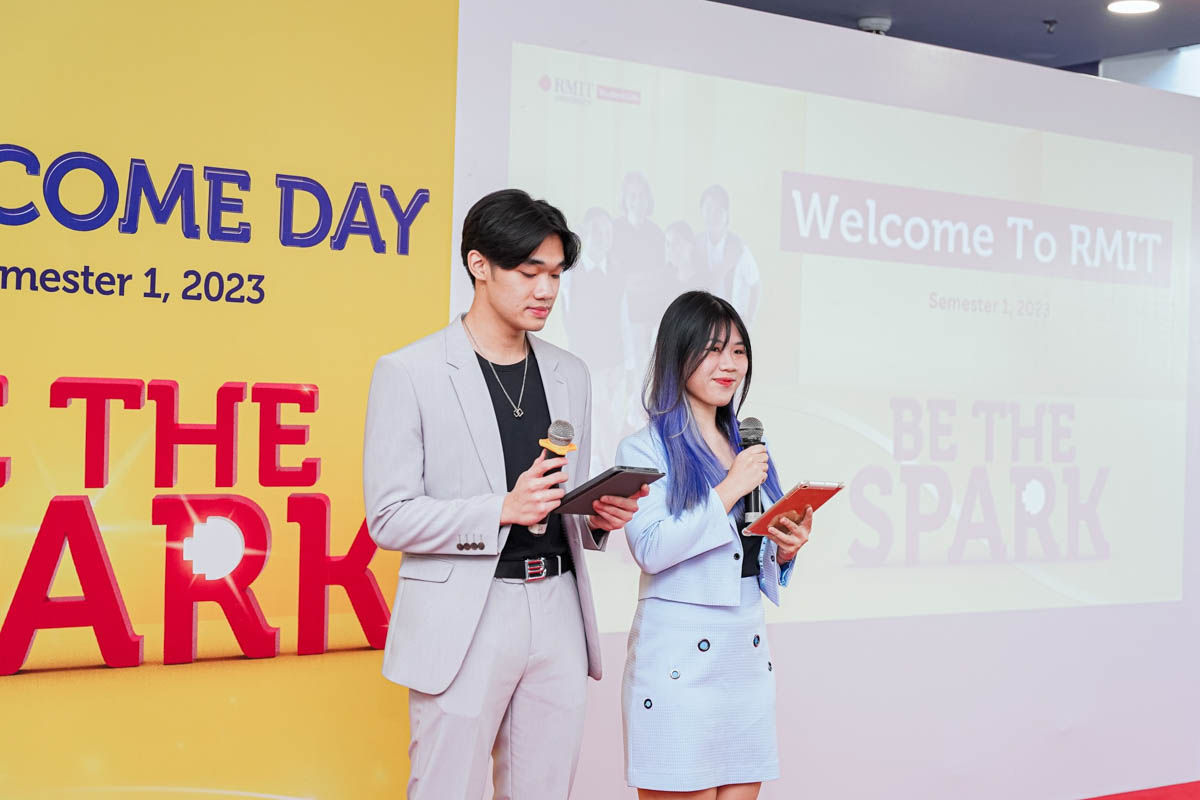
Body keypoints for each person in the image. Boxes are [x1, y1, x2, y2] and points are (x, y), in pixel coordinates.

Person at [363, 189, 647, 800]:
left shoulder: (571, 373)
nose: (545, 290)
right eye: (528, 272)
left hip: (559, 607)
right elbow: (388, 517)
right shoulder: (408, 372)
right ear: (479, 265)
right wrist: (500, 508)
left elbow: (561, 499)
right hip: (466, 611)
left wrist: (598, 518)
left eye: (555, 274)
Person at [615, 290, 813, 799]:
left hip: (742, 654)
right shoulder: (642, 447)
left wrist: (785, 549)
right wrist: (729, 487)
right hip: (677, 658)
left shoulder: (749, 447)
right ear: (677, 355)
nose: (729, 365)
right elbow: (652, 548)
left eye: (739, 351)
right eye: (713, 350)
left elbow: (746, 551)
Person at [696, 185, 762, 325]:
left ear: (727, 214)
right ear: (701, 211)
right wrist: (727, 263)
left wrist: (749, 320)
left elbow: (756, 285)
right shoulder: (695, 245)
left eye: (718, 209)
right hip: (703, 323)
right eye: (708, 208)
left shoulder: (740, 248)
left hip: (731, 322)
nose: (713, 215)